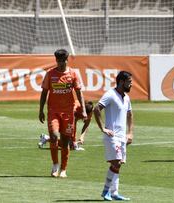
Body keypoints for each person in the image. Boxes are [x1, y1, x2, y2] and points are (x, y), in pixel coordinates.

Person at [39, 49, 87, 178]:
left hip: (68, 112)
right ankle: (55, 165)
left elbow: (78, 92)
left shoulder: (73, 74)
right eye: (58, 61)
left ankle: (64, 169)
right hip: (53, 111)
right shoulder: (50, 74)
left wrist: (83, 109)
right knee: (54, 136)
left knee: (65, 142)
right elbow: (44, 93)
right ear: (56, 60)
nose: (60, 63)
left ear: (67, 60)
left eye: (62, 60)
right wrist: (41, 110)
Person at [93, 71, 133, 201]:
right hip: (112, 136)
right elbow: (96, 108)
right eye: (129, 82)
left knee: (119, 164)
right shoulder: (110, 94)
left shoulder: (126, 97)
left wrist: (130, 132)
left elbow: (129, 114)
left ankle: (114, 192)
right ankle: (106, 191)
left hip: (122, 137)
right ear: (122, 81)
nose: (131, 84)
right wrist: (103, 128)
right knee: (115, 163)